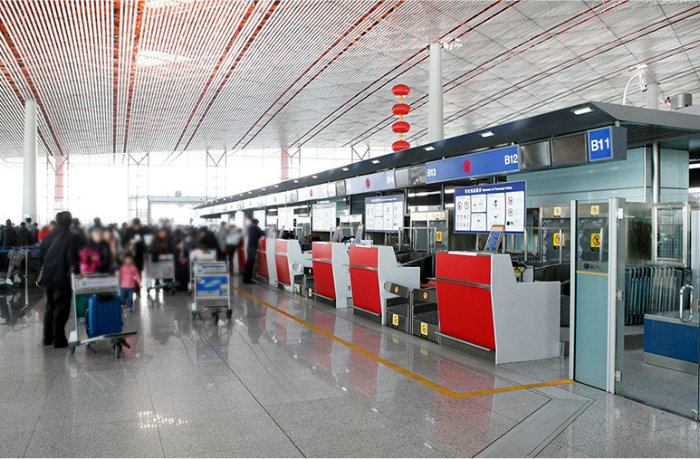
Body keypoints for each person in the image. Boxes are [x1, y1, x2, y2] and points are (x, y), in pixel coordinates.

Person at [38, 211, 79, 348]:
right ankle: (59, 339)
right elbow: (72, 259)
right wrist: (76, 273)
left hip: (48, 278)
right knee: (61, 309)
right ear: (69, 222)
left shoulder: (48, 237)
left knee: (49, 308)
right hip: (62, 279)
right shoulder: (70, 237)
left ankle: (47, 338)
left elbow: (41, 257)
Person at [243, 218, 264, 283]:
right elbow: (262, 233)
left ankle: (245, 279)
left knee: (248, 263)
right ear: (257, 223)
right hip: (252, 247)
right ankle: (248, 280)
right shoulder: (255, 227)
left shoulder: (250, 227)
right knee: (250, 263)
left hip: (249, 246)